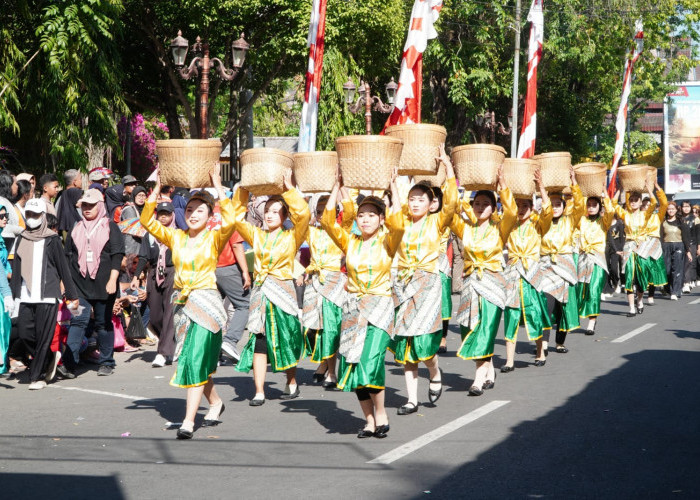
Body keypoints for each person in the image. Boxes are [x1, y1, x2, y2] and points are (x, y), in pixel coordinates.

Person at [141, 165, 235, 439]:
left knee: (194, 359)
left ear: (209, 216)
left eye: (200, 211)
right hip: (182, 305)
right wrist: (156, 190)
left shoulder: (215, 237)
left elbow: (230, 220)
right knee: (197, 360)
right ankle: (215, 402)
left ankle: (188, 421)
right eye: (190, 210)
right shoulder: (176, 237)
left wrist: (218, 185)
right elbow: (147, 221)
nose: (194, 215)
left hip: (207, 304)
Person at [320, 168, 403, 439]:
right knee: (354, 364)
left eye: (372, 215)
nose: (366, 219)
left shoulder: (388, 242)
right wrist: (336, 187)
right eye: (362, 215)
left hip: (379, 307)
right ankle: (368, 419)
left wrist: (394, 190)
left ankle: (381, 413)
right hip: (353, 309)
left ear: (381, 219)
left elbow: (400, 225)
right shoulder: (350, 242)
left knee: (371, 360)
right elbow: (327, 220)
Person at [233, 171, 310, 406]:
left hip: (283, 292)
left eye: (276, 211)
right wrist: (243, 189)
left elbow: (304, 215)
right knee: (259, 338)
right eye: (267, 211)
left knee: (286, 338)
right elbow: (236, 218)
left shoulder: (292, 236)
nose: (270, 215)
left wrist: (288, 190)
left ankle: (292, 380)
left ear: (285, 216)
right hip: (260, 293)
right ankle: (259, 391)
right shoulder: (256, 235)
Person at [392, 147, 457, 415]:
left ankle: (434, 370)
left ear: (431, 203)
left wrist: (449, 169)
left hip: (429, 285)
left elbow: (451, 202)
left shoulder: (437, 222)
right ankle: (411, 399)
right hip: (405, 285)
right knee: (407, 346)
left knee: (424, 348)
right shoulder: (401, 222)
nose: (415, 202)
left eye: (421, 199)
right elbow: (394, 208)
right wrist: (393, 185)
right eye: (412, 198)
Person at [451, 166, 516, 395]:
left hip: (493, 284)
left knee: (486, 329)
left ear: (493, 207)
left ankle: (478, 379)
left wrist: (503, 185)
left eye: (485, 204)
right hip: (470, 284)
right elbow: (449, 213)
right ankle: (488, 369)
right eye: (476, 204)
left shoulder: (501, 228)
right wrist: (450, 174)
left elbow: (512, 211)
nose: (480, 208)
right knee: (469, 329)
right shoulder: (465, 228)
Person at [11, 198, 79, 389]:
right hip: (25, 294)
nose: (32, 218)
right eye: (29, 215)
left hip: (47, 294)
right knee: (24, 333)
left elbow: (63, 268)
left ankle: (37, 376)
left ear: (42, 216)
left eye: (35, 215)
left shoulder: (52, 239)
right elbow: (17, 270)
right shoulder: (21, 238)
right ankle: (49, 357)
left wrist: (72, 294)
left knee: (43, 336)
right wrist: (12, 295)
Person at [64, 189, 125, 377]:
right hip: (78, 285)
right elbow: (67, 257)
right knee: (78, 320)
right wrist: (64, 283)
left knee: (103, 323)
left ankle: (106, 361)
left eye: (91, 205)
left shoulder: (109, 226)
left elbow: (117, 255)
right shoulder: (75, 227)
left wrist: (113, 279)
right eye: (84, 205)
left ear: (99, 205)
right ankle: (69, 364)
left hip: (104, 285)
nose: (87, 209)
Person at [301, 192, 354, 388]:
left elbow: (350, 210)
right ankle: (324, 363)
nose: (324, 216)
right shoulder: (312, 231)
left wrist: (339, 188)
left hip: (334, 282)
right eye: (321, 212)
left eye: (329, 212)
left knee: (331, 327)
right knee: (313, 329)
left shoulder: (341, 230)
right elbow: (298, 217)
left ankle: (332, 372)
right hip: (314, 283)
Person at [502, 169, 552, 371]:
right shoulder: (509, 225)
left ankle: (540, 351)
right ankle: (509, 360)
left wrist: (541, 188)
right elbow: (505, 208)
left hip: (532, 274)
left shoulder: (538, 225)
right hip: (513, 273)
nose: (521, 209)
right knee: (511, 315)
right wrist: (503, 184)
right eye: (518, 206)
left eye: (525, 206)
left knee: (535, 314)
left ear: (532, 209)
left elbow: (547, 211)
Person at [539, 170, 584, 352]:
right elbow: (544, 211)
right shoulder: (542, 221)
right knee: (546, 307)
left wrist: (574, 183)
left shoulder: (570, 221)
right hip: (546, 268)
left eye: (559, 204)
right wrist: (541, 188)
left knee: (562, 308)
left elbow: (580, 206)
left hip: (565, 267)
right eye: (552, 204)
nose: (555, 207)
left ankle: (559, 342)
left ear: (564, 207)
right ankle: (542, 346)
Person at [134, 201, 177, 367]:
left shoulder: (176, 234)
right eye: (160, 213)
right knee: (156, 316)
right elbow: (143, 256)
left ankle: (163, 352)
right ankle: (170, 343)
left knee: (169, 315)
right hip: (153, 274)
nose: (163, 217)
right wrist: (136, 276)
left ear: (172, 215)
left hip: (172, 273)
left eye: (167, 213)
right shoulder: (149, 235)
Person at [612, 178, 657, 316]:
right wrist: (620, 188)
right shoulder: (625, 215)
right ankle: (631, 307)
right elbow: (613, 203)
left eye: (636, 200)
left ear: (640, 202)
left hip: (642, 246)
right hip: (629, 246)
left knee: (641, 278)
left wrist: (649, 188)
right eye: (631, 200)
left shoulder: (645, 214)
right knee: (629, 276)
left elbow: (654, 202)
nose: (633, 202)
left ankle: (640, 300)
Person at [577, 191, 615, 336]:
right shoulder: (581, 220)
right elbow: (576, 209)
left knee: (594, 291)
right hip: (583, 259)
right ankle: (579, 317)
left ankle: (592, 322)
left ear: (600, 207)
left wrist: (605, 196)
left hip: (598, 259)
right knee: (582, 290)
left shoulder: (603, 221)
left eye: (594, 205)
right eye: (589, 205)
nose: (591, 207)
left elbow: (611, 211)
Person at [216, 229, 250, 364]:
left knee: (215, 310)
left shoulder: (204, 215)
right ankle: (230, 341)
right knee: (244, 304)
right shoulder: (229, 219)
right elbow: (236, 245)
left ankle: (214, 352)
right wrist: (245, 271)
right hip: (227, 266)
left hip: (206, 269)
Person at [639, 182, 668, 306]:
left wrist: (657, 189)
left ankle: (651, 296)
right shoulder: (639, 216)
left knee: (653, 270)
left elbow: (664, 204)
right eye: (644, 205)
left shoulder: (658, 216)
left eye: (648, 204)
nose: (646, 207)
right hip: (642, 243)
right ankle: (639, 294)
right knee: (641, 270)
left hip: (654, 243)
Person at [661, 201, 691, 300]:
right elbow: (660, 237)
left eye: (672, 209)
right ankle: (669, 289)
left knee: (677, 270)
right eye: (669, 209)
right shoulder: (663, 222)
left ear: (676, 210)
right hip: (666, 246)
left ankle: (676, 291)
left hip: (679, 246)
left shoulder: (681, 222)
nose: (670, 211)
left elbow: (686, 238)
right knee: (667, 270)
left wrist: (688, 251)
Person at [120, 185, 148, 255]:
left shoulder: (144, 210)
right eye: (139, 195)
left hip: (140, 246)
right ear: (134, 196)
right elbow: (135, 229)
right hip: (131, 248)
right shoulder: (130, 209)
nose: (141, 198)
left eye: (143, 195)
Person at [57, 169, 84, 233]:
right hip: (75, 229)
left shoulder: (61, 194)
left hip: (64, 228)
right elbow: (79, 205)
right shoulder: (75, 191)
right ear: (74, 182)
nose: (81, 181)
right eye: (80, 179)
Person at [680, 201, 697, 291]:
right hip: (681, 243)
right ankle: (683, 281)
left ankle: (687, 282)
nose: (686, 208)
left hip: (692, 243)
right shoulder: (679, 218)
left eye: (688, 206)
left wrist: (698, 246)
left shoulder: (695, 219)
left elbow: (697, 234)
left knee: (689, 263)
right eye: (684, 206)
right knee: (681, 263)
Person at [606, 213, 625, 294]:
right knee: (606, 267)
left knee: (614, 267)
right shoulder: (605, 222)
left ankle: (616, 283)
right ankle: (608, 285)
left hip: (617, 249)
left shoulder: (619, 223)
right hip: (607, 247)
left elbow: (622, 237)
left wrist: (621, 249)